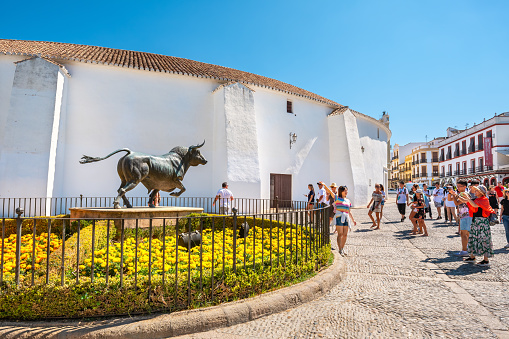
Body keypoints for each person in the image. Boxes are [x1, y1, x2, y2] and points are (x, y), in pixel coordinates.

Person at [458, 185, 495, 267]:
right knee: (473, 238)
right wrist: (455, 194)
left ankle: (486, 260)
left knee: (484, 239)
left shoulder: (484, 199)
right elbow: (465, 201)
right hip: (476, 221)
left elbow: (474, 205)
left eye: (477, 191)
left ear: (481, 192)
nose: (475, 192)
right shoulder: (477, 199)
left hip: (482, 222)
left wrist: (467, 198)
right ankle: (472, 257)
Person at [321, 182, 357, 256]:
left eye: (347, 190)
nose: (346, 192)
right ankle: (340, 249)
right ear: (341, 191)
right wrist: (324, 185)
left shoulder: (348, 200)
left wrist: (353, 220)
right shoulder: (336, 198)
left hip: (346, 218)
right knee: (340, 234)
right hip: (339, 217)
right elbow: (330, 192)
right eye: (345, 190)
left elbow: (349, 211)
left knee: (345, 234)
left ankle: (342, 249)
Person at [453, 179, 472, 256]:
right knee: (467, 233)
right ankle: (467, 249)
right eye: (457, 186)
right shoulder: (461, 193)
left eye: (459, 186)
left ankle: (464, 251)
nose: (458, 188)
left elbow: (456, 203)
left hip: (466, 215)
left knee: (464, 233)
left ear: (464, 186)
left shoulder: (464, 194)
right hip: (465, 215)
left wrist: (454, 195)